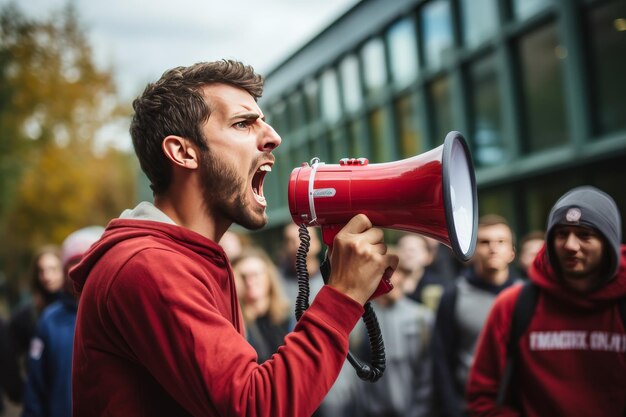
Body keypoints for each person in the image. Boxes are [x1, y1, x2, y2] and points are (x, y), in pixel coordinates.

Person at [69, 60, 398, 417]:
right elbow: (254, 407)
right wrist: (343, 295)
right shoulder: (149, 266)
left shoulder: (191, 259)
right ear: (183, 152)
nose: (273, 136)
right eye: (243, 124)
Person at [467, 186, 626, 416]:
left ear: (608, 244)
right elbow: (481, 397)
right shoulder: (513, 305)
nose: (570, 245)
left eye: (584, 234)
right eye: (561, 234)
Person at [432, 214, 519, 417]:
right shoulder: (453, 296)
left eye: (501, 241)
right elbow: (441, 359)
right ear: (472, 250)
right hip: (468, 407)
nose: (493, 248)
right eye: (484, 242)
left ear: (512, 253)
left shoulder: (525, 295)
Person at [21, 226, 104, 417]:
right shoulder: (50, 320)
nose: (79, 271)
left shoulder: (113, 316)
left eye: (86, 263)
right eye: (73, 264)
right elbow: (35, 387)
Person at [353, 261, 435, 417]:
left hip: (414, 410)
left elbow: (428, 373)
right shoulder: (359, 319)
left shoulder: (422, 317)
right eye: (383, 273)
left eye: (396, 273)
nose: (391, 279)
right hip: (370, 410)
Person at [6, 246, 64, 404]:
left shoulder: (76, 310)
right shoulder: (26, 316)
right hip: (40, 397)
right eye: (41, 270)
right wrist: (18, 391)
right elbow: (8, 354)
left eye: (53, 269)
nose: (47, 276)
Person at [231, 247, 293, 363]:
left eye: (255, 274)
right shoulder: (234, 326)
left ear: (269, 276)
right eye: (243, 276)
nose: (250, 282)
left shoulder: (289, 316)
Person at [398, 233, 449, 312]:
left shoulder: (438, 286)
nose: (408, 254)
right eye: (403, 249)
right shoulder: (389, 283)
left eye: (413, 250)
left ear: (428, 256)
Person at [278, 222, 325, 304]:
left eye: (303, 239)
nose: (297, 245)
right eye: (290, 241)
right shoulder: (277, 282)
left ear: (317, 243)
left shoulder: (332, 277)